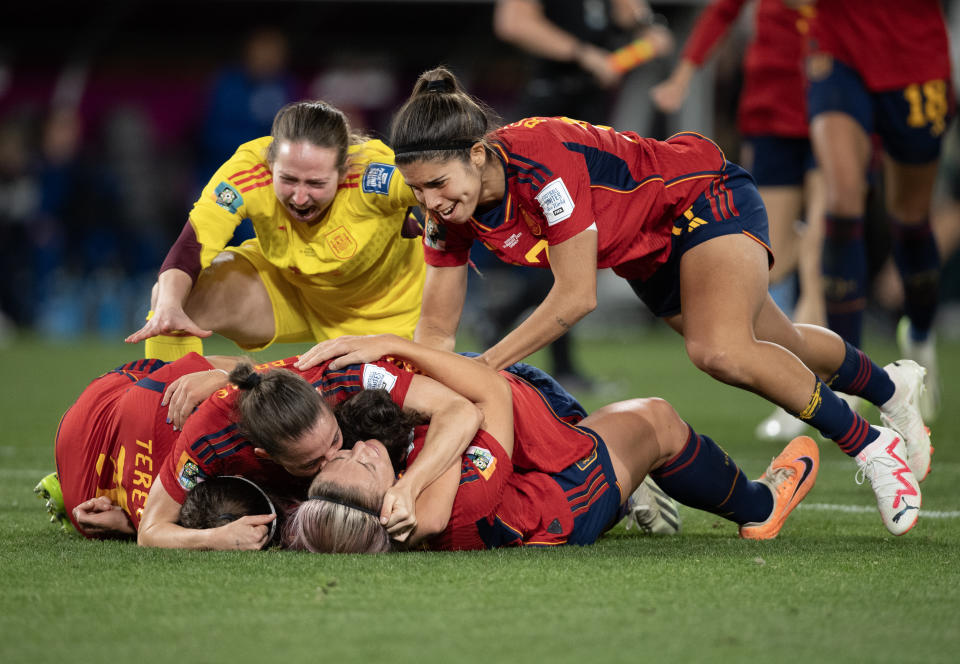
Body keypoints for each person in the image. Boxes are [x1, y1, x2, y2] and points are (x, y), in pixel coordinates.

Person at [388, 66, 929, 536]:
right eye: (417, 191)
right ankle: (892, 387)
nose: (431, 202)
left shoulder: (540, 162)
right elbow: (434, 331)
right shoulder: (447, 212)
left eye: (438, 183)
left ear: (478, 154)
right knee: (778, 346)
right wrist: (424, 407)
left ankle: (869, 444)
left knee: (720, 349)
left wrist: (483, 367)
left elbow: (575, 298)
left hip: (698, 197)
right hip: (645, 252)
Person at [288, 334, 821, 552]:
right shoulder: (454, 506)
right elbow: (482, 401)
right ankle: (761, 506)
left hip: (523, 471)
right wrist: (391, 344)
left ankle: (634, 493)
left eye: (339, 455)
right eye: (361, 466)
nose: (357, 449)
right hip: (566, 497)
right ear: (388, 508)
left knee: (533, 393)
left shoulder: (369, 504)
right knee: (657, 421)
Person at [40, 349, 482, 549]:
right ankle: (92, 490)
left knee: (202, 370)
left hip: (207, 386)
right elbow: (151, 533)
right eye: (312, 461)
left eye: (335, 441)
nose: (338, 458)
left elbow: (460, 411)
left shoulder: (333, 374)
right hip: (106, 416)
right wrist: (216, 538)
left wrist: (409, 488)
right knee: (106, 514)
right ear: (266, 456)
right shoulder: (206, 438)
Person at [124, 100, 426, 362]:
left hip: (388, 313)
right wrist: (167, 306)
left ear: (344, 169)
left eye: (316, 184)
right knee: (174, 297)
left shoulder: (372, 176)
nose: (300, 197)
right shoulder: (247, 171)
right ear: (271, 163)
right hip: (293, 291)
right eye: (289, 179)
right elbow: (194, 244)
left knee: (377, 421)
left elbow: (437, 184)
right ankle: (166, 419)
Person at [650, 0, 826, 442]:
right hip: (770, 107)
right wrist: (683, 76)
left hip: (830, 98)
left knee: (821, 250)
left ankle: (819, 393)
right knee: (777, 258)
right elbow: (720, 13)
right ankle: (816, 386)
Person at [487, 0, 673, 390]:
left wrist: (647, 27)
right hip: (547, 115)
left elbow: (631, 13)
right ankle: (532, 343)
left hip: (588, 116)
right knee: (565, 242)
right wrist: (583, 54)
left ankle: (506, 319)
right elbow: (514, 22)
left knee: (579, 241)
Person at [804, 0, 953, 423]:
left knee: (910, 216)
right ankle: (848, 373)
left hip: (915, 57)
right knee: (842, 199)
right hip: (839, 48)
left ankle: (920, 336)